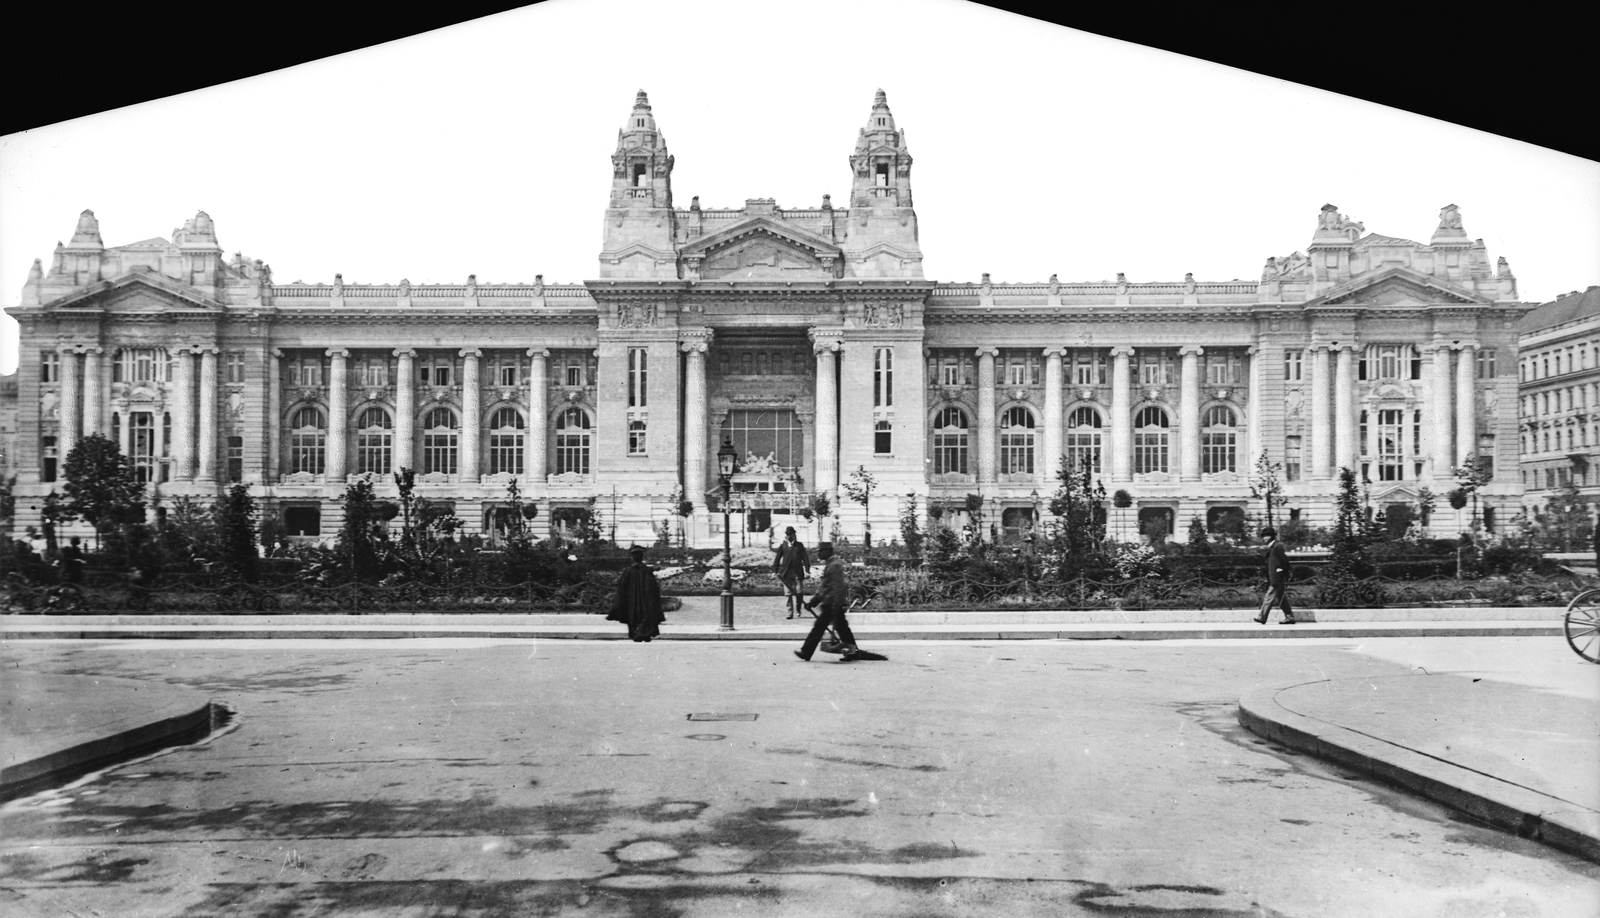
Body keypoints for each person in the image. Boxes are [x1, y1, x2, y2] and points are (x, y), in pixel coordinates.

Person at [795, 542, 859, 661]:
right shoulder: (831, 564)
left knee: (819, 628)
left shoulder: (834, 565)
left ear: (827, 551)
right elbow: (825, 588)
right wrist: (813, 602)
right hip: (833, 603)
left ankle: (806, 652)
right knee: (842, 629)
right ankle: (853, 652)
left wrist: (834, 606)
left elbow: (836, 587)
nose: (818, 553)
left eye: (820, 551)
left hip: (832, 603)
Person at [608, 546, 665, 642]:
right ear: (642, 557)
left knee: (633, 616)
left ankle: (636, 634)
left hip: (632, 599)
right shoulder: (646, 570)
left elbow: (622, 586)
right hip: (645, 599)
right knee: (645, 616)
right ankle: (645, 634)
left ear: (632, 558)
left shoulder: (628, 570)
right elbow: (653, 587)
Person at [1253, 527, 1297, 625]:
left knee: (1269, 596)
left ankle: (1262, 617)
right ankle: (1290, 617)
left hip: (1277, 578)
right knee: (1281, 598)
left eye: (1265, 536)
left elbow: (1285, 561)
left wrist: (1282, 571)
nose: (1263, 538)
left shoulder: (1277, 546)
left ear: (1270, 536)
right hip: (1276, 577)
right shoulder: (1273, 547)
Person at [773, 526, 811, 619]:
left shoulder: (799, 546)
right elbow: (777, 559)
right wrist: (775, 570)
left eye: (791, 534)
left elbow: (805, 559)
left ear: (794, 535)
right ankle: (790, 612)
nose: (789, 536)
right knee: (788, 594)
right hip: (786, 574)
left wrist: (807, 571)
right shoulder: (783, 546)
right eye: (787, 534)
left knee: (799, 592)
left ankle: (798, 610)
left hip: (797, 573)